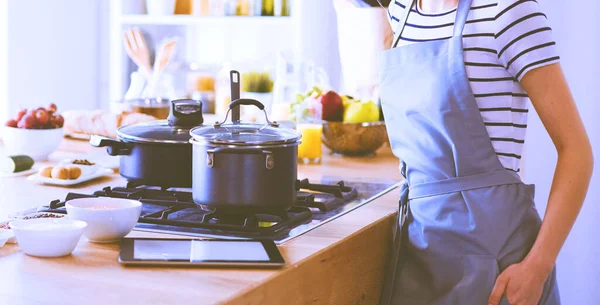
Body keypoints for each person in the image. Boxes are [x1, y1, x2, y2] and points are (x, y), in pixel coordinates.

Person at [376, 0, 594, 304]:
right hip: (421, 254)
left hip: (499, 264)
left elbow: (576, 150)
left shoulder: (508, 12)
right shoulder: (400, 14)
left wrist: (537, 268)